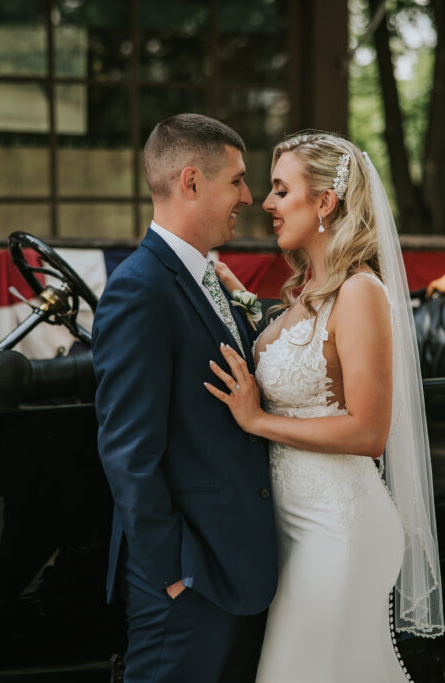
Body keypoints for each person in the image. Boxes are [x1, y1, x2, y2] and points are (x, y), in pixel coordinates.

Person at [206, 132, 445, 681]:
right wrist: (242, 301)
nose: (265, 203)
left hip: (339, 530)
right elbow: (296, 347)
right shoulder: (309, 288)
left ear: (324, 202)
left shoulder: (361, 292)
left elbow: (368, 431)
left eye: (280, 189)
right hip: (296, 532)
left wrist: (256, 419)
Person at [91, 113, 277, 683]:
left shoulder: (207, 277)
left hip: (241, 567)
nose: (249, 196)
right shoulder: (138, 289)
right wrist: (174, 571)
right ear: (192, 181)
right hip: (187, 580)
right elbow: (127, 451)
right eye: (238, 181)